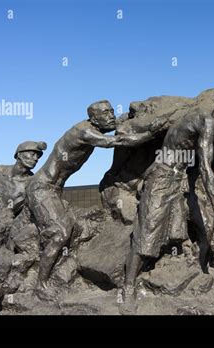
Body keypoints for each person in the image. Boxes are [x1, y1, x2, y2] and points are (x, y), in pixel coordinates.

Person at [120, 83, 214, 313]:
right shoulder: (207, 120)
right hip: (162, 177)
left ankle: (196, 278)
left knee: (189, 229)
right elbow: (206, 168)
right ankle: (128, 289)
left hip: (179, 179)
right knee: (146, 236)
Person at [27, 100, 166, 300]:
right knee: (61, 233)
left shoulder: (93, 127)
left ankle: (58, 273)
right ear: (94, 118)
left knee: (72, 231)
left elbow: (116, 128)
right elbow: (115, 141)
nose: (111, 115)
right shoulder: (84, 132)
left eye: (111, 111)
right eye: (106, 113)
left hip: (54, 189)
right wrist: (152, 132)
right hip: (42, 188)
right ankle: (40, 285)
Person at [0, 141, 47, 215]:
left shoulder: (31, 183)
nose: (36, 159)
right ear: (19, 154)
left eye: (38, 156)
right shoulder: (0, 170)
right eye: (32, 154)